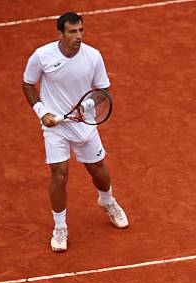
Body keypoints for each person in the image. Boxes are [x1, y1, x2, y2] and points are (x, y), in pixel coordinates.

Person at [22, 12, 128, 252]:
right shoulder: (42, 56)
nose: (78, 36)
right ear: (60, 33)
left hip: (84, 123)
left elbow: (103, 90)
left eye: (80, 30)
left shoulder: (93, 57)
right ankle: (60, 228)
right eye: (72, 31)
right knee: (59, 173)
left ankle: (107, 201)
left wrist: (88, 105)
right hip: (55, 126)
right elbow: (28, 83)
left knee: (98, 170)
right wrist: (42, 112)